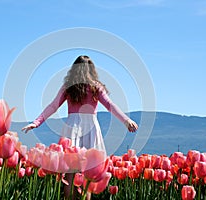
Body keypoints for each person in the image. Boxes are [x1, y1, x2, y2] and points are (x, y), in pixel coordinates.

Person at [22, 55, 138, 199]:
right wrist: (126, 120)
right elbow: (110, 105)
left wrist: (37, 122)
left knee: (70, 170)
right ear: (91, 70)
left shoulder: (69, 87)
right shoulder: (95, 87)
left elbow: (53, 106)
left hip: (72, 126)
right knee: (88, 171)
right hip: (91, 127)